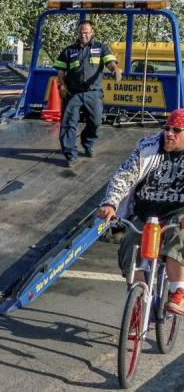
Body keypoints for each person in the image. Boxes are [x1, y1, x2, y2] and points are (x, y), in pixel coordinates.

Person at [96, 108, 184, 315]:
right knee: (129, 245)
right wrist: (110, 203)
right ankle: (140, 298)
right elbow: (124, 175)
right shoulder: (148, 147)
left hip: (177, 212)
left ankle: (177, 291)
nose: (169, 134)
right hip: (146, 211)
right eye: (167, 128)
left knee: (178, 238)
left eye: (177, 130)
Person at [54, 20, 123, 167]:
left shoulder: (101, 48)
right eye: (81, 32)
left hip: (93, 93)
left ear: (92, 32)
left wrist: (115, 70)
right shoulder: (68, 51)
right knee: (68, 124)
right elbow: (60, 70)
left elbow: (110, 62)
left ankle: (88, 142)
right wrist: (62, 85)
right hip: (73, 93)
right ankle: (70, 154)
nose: (83, 35)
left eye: (86, 32)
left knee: (96, 121)